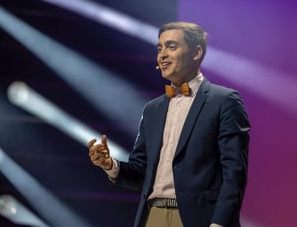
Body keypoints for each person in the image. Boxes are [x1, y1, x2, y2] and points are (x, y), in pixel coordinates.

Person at [88, 22, 250, 227]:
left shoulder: (224, 101)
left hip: (200, 220)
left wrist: (219, 224)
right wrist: (110, 165)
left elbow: (234, 174)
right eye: (159, 48)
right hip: (152, 217)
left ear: (196, 53)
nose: (162, 55)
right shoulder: (152, 109)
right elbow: (140, 173)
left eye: (171, 47)